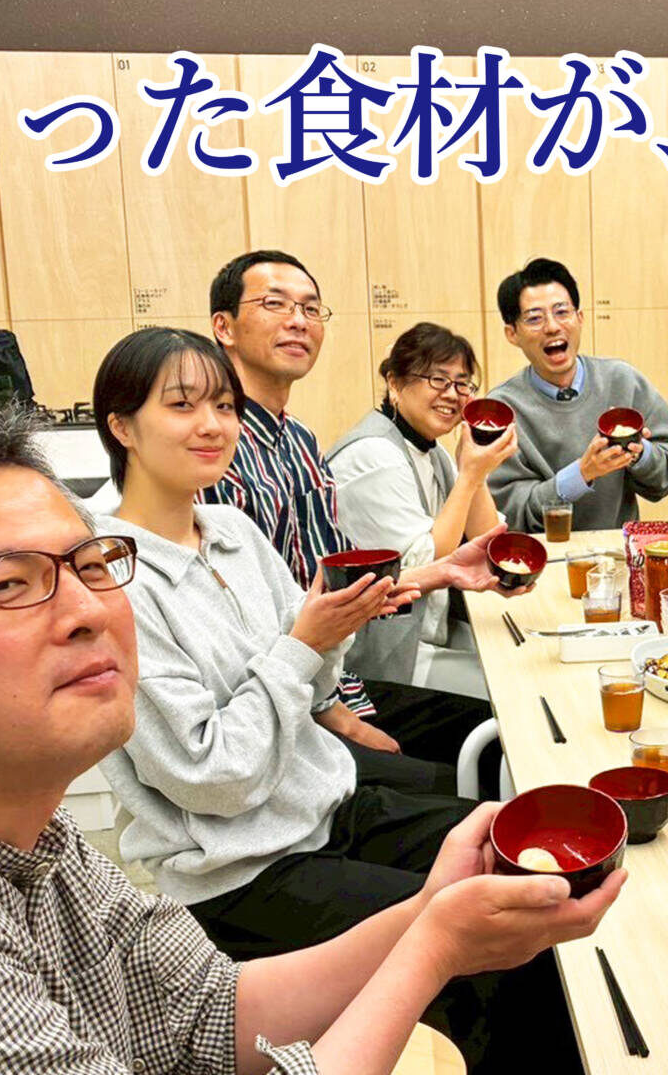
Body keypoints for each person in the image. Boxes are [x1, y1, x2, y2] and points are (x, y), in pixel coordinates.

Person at [0, 393, 623, 1075]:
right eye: (7, 584)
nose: (90, 611)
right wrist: (432, 947)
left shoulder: (15, 825)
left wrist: (435, 915)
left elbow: (211, 1013)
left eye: (91, 565)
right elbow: (219, 769)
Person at [92, 329, 569, 1071]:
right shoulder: (114, 579)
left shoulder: (232, 531)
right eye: (182, 406)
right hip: (244, 872)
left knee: (519, 863)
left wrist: (351, 618)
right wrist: (303, 644)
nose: (213, 425)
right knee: (502, 956)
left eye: (224, 405)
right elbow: (214, 779)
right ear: (122, 426)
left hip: (326, 808)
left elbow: (313, 683)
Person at [201, 250, 490, 762]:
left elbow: (338, 587)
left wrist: (446, 571)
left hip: (333, 678)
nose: (298, 320)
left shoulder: (299, 440)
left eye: (311, 309)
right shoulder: (215, 447)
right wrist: (334, 713)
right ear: (223, 327)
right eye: (275, 304)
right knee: (487, 750)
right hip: (277, 705)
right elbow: (243, 622)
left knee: (498, 732)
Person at [325, 322, 513, 700]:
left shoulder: (431, 450)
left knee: (520, 662)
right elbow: (430, 559)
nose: (452, 394)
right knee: (508, 694)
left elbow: (487, 537)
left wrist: (474, 465)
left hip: (426, 632)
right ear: (395, 383)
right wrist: (469, 476)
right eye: (438, 380)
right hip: (380, 655)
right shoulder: (374, 454)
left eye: (462, 384)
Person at [483, 257, 668, 532]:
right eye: (534, 318)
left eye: (561, 312)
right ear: (512, 334)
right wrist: (582, 473)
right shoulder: (501, 410)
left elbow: (662, 483)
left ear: (579, 318)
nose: (552, 327)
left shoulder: (622, 380)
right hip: (544, 553)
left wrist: (641, 453)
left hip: (615, 550)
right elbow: (513, 514)